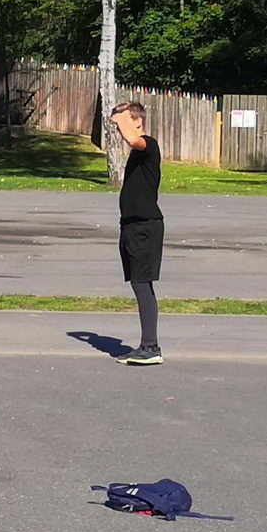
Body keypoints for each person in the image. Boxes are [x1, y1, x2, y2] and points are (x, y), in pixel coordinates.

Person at [112, 101, 165, 365]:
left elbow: (133, 139)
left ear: (137, 121)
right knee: (139, 283)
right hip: (133, 225)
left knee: (142, 284)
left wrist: (121, 118)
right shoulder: (138, 152)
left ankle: (150, 348)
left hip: (145, 226)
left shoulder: (148, 144)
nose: (117, 130)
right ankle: (147, 346)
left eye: (121, 123)